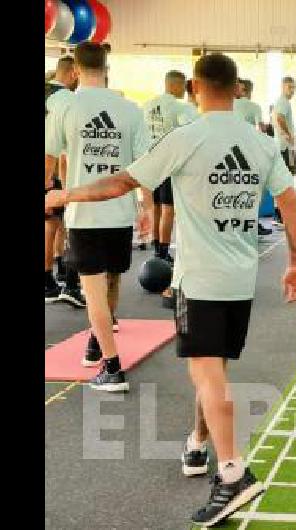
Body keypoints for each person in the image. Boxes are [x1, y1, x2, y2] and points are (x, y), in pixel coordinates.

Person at [46, 52, 296, 527]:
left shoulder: (187, 137)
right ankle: (198, 446)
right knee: (216, 371)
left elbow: (120, 183)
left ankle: (233, 475)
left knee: (208, 376)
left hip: (200, 279)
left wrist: (66, 194)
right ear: (237, 90)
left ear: (194, 88)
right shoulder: (260, 141)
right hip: (240, 280)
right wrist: (294, 263)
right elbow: (290, 201)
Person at [45, 42, 151, 390]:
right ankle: (97, 340)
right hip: (120, 212)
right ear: (107, 68)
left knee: (93, 291)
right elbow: (144, 168)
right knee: (107, 283)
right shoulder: (130, 110)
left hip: (85, 215)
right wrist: (147, 207)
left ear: (74, 70)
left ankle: (113, 367)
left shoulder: (64, 106)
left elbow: (47, 160)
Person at [45, 56, 84, 307]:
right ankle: (68, 280)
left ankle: (52, 276)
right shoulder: (68, 100)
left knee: (53, 223)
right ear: (72, 73)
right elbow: (62, 148)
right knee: (61, 224)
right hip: (54, 168)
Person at [142, 70, 188, 264]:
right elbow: (187, 134)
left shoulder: (147, 105)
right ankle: (163, 251)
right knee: (168, 208)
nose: (185, 90)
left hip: (150, 161)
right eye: (184, 86)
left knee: (156, 207)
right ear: (175, 85)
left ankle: (156, 247)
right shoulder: (178, 107)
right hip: (168, 163)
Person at [271, 76, 296, 227]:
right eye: (289, 87)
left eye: (293, 87)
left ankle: (280, 214)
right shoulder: (282, 102)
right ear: (282, 87)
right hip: (284, 147)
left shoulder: (285, 102)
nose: (292, 90)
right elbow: (280, 118)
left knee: (287, 178)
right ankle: (279, 215)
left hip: (286, 147)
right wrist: (288, 135)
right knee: (284, 180)